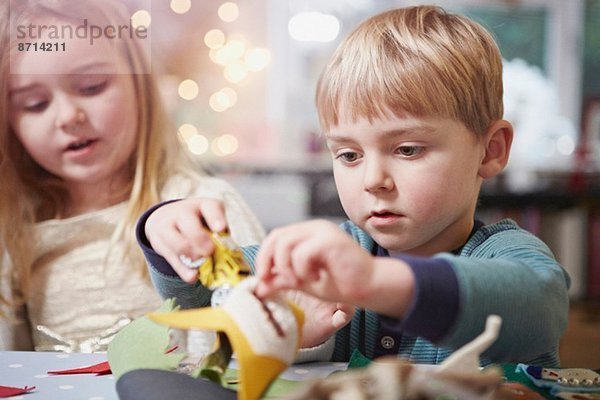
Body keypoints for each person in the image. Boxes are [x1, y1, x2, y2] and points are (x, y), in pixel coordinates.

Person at [138, 5, 570, 367]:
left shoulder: (509, 255)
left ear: (491, 150)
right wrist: (168, 233)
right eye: (348, 155)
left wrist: (372, 281)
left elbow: (536, 308)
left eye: (407, 149)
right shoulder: (333, 254)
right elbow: (199, 300)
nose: (373, 180)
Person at [0, 0, 264, 352]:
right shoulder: (16, 234)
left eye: (91, 86)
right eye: (35, 103)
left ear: (141, 88)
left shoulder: (206, 207)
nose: (67, 116)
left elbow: (272, 325)